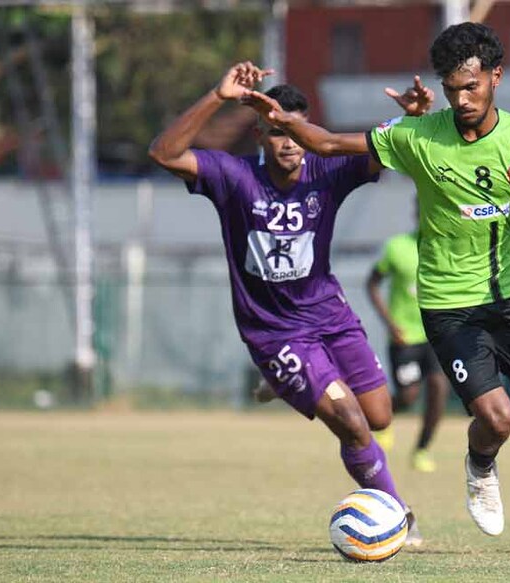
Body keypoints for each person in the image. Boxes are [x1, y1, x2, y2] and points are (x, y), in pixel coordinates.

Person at [242, 23, 510, 554]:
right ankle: (480, 463)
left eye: (472, 87)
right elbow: (328, 142)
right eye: (452, 89)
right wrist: (270, 112)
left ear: (496, 77)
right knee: (496, 418)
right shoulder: (419, 135)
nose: (461, 99)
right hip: (449, 305)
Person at [147, 62, 433, 544]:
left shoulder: (328, 170)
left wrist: (413, 121)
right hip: (275, 331)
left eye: (295, 131)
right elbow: (164, 152)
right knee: (353, 423)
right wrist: (218, 95)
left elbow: (388, 152)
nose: (288, 143)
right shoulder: (234, 177)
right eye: (277, 132)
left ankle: (283, 383)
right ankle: (398, 518)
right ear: (260, 133)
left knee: (380, 414)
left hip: (331, 317)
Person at [366, 221, 450, 473]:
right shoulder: (397, 247)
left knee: (438, 388)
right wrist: (390, 324)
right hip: (404, 338)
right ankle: (381, 420)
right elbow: (372, 284)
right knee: (408, 396)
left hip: (435, 336)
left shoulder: (449, 246)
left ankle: (422, 450)